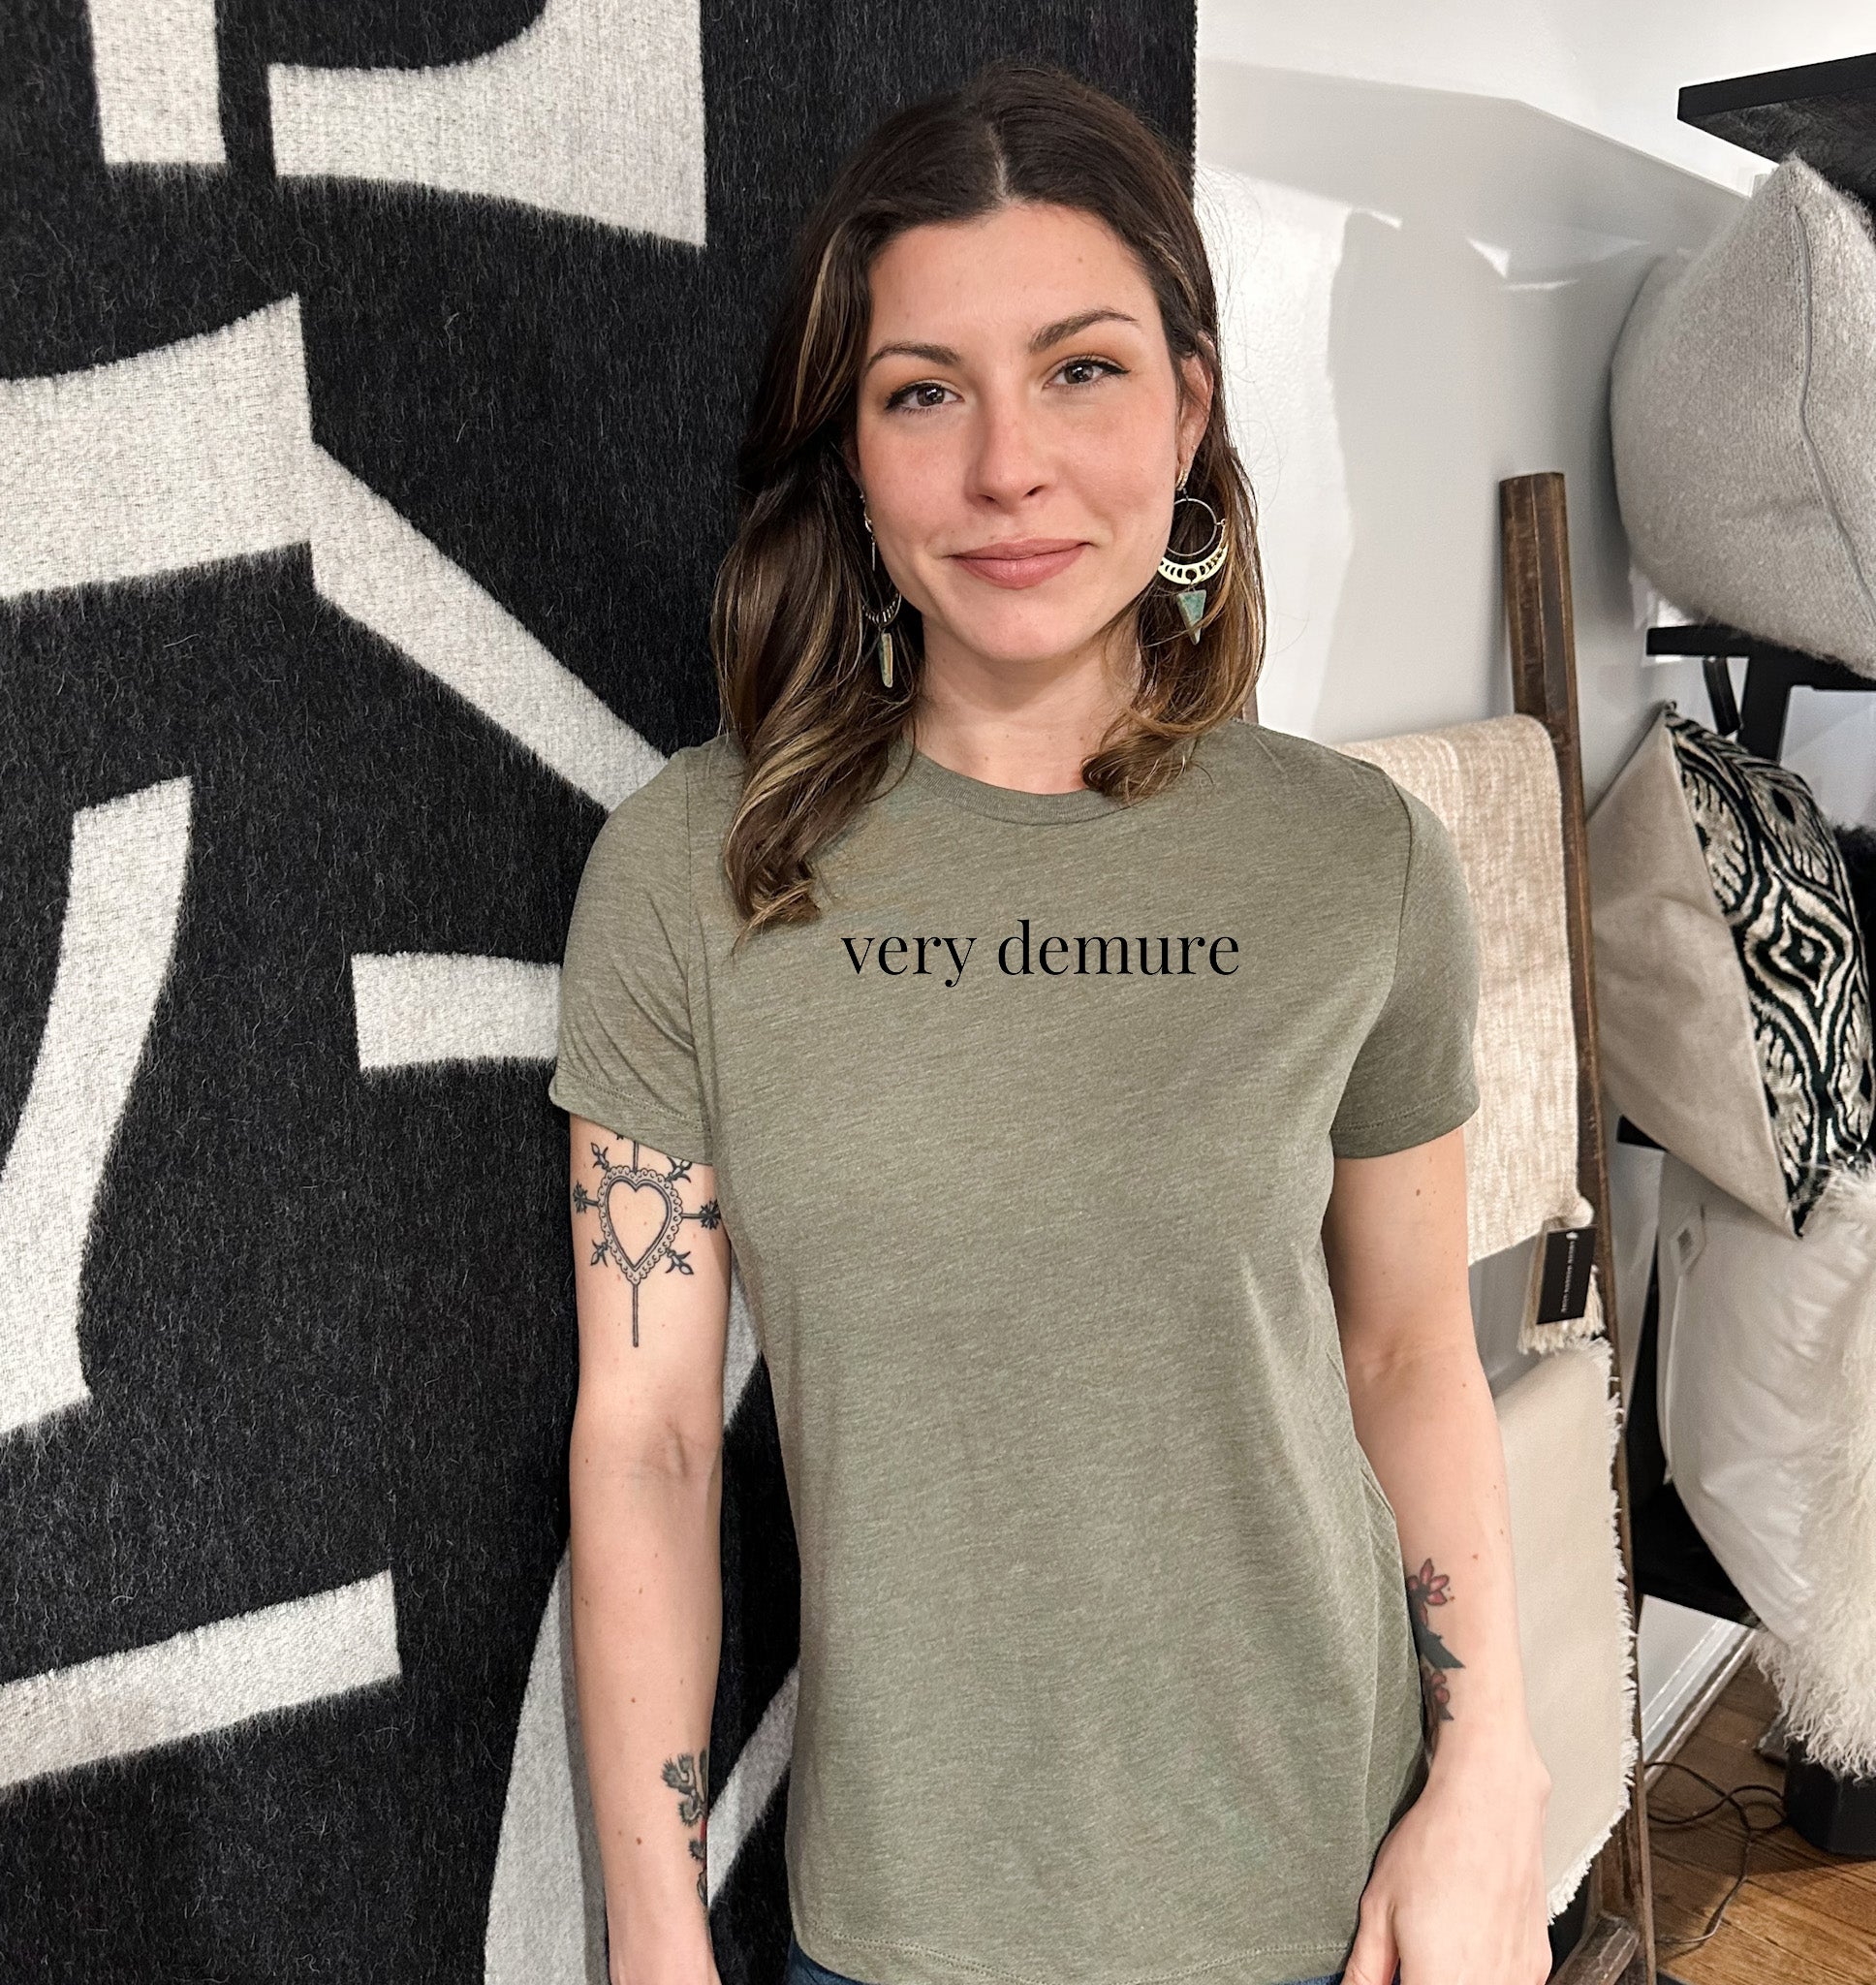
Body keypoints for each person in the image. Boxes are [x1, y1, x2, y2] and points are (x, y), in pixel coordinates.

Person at [551, 58, 1552, 1985]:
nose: (1008, 465)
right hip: (898, 1925)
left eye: (1082, 370)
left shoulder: (1357, 864)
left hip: (1326, 1905)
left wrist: (1484, 1778)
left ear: (1188, 406)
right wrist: (653, 1938)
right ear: (850, 454)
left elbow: (1409, 1345)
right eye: (924, 391)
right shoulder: (693, 870)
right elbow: (650, 1439)